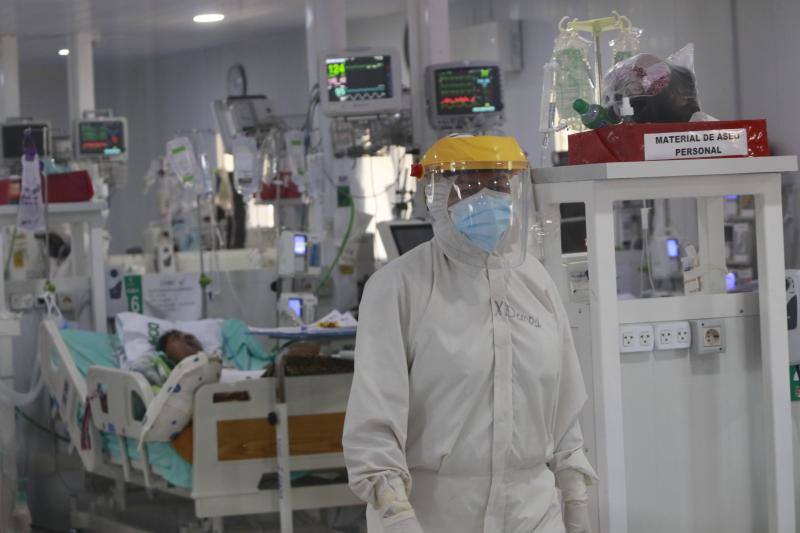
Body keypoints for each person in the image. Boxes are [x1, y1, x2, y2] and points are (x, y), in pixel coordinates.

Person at [342, 135, 597, 533]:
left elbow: (563, 407)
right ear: (437, 194)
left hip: (531, 509)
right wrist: (396, 514)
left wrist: (576, 500)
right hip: (435, 513)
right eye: (470, 185)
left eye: (498, 185)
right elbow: (374, 418)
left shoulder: (536, 282)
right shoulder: (399, 286)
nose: (487, 197)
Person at [130, 329, 203, 387]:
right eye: (176, 337)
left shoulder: (208, 371)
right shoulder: (149, 366)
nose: (188, 336)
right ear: (164, 352)